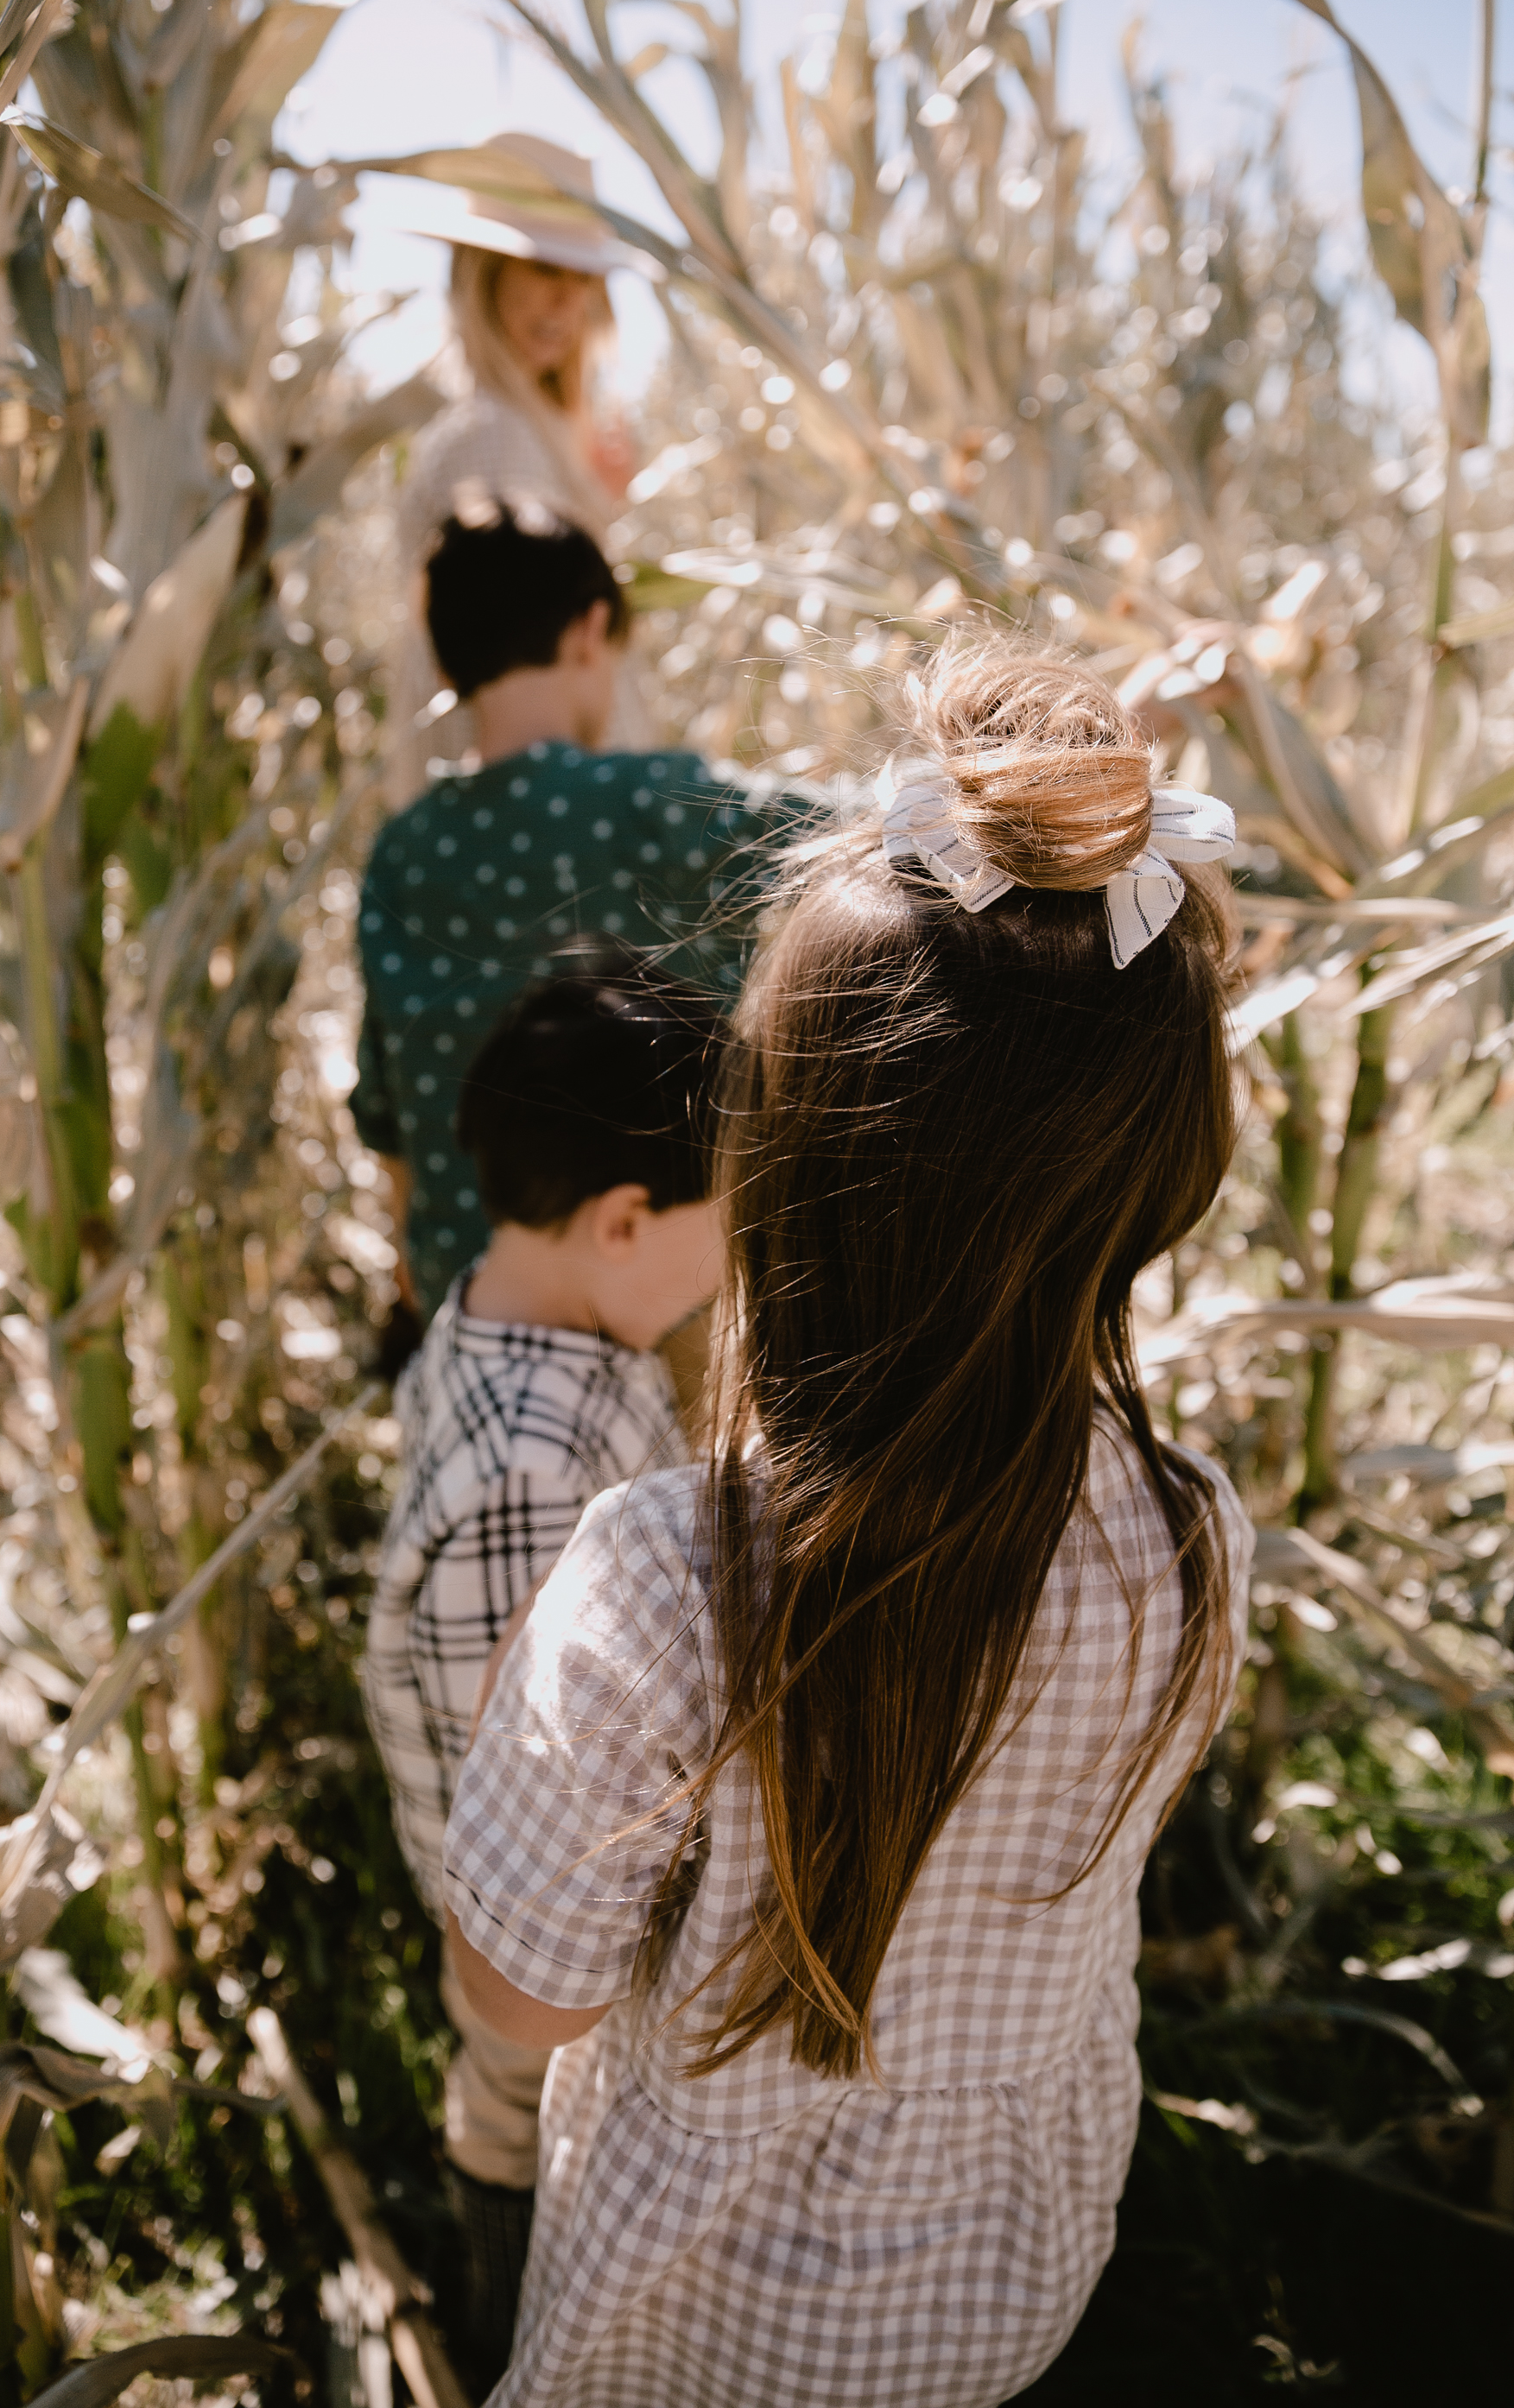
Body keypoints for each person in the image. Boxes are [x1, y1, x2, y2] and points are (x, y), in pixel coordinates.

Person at [441, 642, 1257, 2408]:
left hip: (685, 2320)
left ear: (788, 1151)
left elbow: (520, 2005)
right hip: (999, 2287)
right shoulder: (1195, 1545)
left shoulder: (662, 1580)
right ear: (1161, 1168)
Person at [361, 952, 725, 2383]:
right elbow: (516, 1784)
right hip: (535, 1943)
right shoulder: (530, 1473)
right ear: (627, 1221)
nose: (738, 1259)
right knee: (524, 2122)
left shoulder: (528, 1311)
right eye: (731, 1225)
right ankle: (512, 2319)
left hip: (554, 1904)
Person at [351, 495, 824, 1326]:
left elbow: (387, 1118)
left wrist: (417, 1282)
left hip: (479, 1296)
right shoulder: (653, 806)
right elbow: (863, 830)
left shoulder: (403, 852)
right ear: (586, 631)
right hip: (663, 1299)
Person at [389, 132, 659, 807]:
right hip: (539, 808)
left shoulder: (505, 428)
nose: (566, 305)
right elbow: (525, 655)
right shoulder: (493, 435)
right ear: (484, 272)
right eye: (544, 270)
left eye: (580, 279)